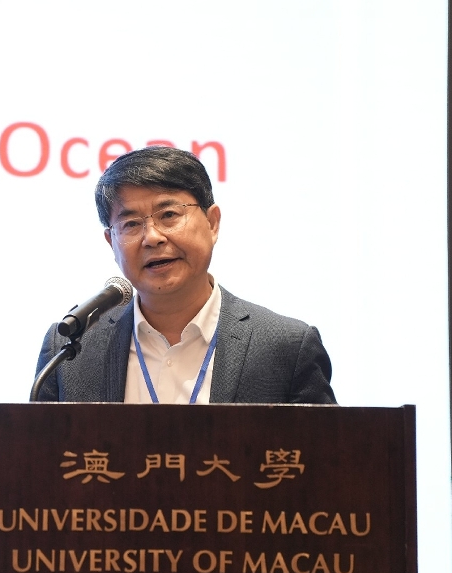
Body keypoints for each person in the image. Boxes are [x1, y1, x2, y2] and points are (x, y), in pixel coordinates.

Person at [33, 146, 335, 404]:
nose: (152, 237)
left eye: (169, 215)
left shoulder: (287, 347)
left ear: (212, 223)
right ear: (111, 242)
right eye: (131, 224)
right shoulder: (69, 352)